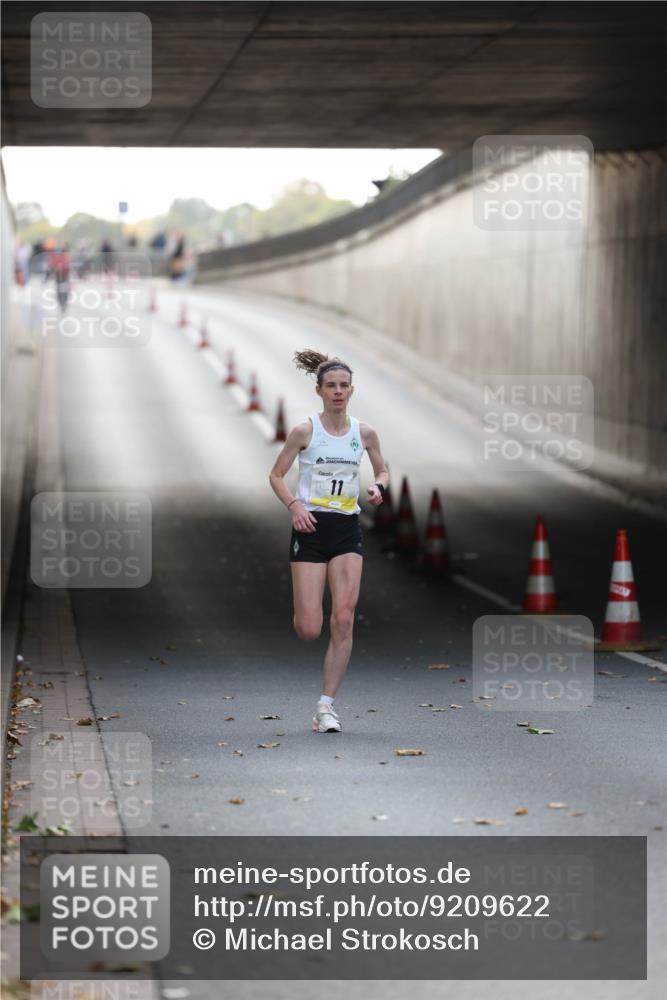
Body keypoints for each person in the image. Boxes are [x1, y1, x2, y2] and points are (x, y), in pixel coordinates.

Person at [269, 349, 389, 733]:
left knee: (343, 618)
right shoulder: (305, 431)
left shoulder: (363, 432)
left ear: (352, 391)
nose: (338, 392)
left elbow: (383, 469)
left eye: (343, 386)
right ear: (319, 391)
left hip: (346, 528)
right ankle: (322, 694)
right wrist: (294, 506)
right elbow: (275, 475)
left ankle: (326, 707)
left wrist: (379, 487)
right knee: (309, 628)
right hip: (310, 527)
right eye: (331, 386)